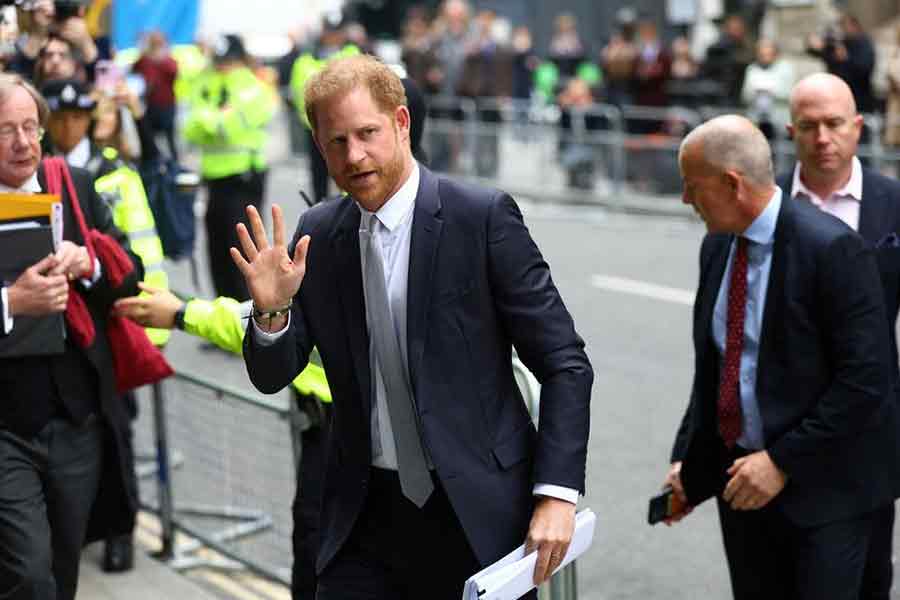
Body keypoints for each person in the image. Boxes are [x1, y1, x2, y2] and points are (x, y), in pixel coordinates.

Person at [233, 55, 593, 599]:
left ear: (401, 123)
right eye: (335, 142)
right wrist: (270, 313)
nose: (354, 156)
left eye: (367, 133)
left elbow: (565, 362)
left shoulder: (481, 217)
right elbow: (272, 374)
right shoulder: (319, 235)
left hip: (475, 513)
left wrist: (556, 494)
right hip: (363, 517)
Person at [666, 114, 897, 600]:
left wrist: (781, 461)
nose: (686, 200)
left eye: (692, 186)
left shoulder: (832, 248)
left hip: (827, 494)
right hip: (744, 489)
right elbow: (717, 369)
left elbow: (865, 382)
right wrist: (689, 461)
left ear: (732, 184)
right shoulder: (717, 247)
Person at [0, 73, 141, 600]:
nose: (22, 142)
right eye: (6, 130)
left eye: (30, 127)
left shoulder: (75, 186)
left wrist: (90, 264)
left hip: (76, 418)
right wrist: (12, 303)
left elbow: (131, 274)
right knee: (29, 575)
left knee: (62, 572)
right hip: (6, 426)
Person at [112, 284, 331, 598]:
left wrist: (182, 314)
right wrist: (182, 313)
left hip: (351, 443)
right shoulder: (337, 242)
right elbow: (264, 322)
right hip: (326, 438)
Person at [777, 72, 900, 600]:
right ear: (791, 132)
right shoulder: (769, 202)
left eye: (834, 124)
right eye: (809, 126)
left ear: (857, 126)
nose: (823, 138)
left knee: (871, 579)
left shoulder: (893, 200)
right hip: (784, 432)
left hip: (872, 432)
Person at [183, 33, 275, 301]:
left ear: (240, 60)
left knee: (244, 250)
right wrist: (214, 121)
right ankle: (224, 315)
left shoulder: (252, 86)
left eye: (229, 61)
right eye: (220, 60)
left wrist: (209, 121)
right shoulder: (206, 83)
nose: (222, 66)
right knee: (217, 249)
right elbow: (190, 128)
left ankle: (249, 317)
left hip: (243, 177)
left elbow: (228, 127)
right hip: (214, 177)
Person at [131, 31, 179, 162]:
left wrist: (159, 58)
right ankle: (152, 161)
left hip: (167, 105)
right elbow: (134, 71)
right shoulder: (145, 60)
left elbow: (174, 72)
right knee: (149, 136)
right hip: (151, 105)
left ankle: (173, 163)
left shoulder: (168, 61)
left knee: (170, 138)